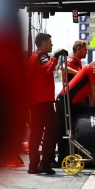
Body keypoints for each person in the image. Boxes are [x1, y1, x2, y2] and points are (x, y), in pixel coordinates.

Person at [55, 53, 95, 164]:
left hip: (71, 102)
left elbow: (90, 94)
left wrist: (94, 108)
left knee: (71, 129)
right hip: (65, 100)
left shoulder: (93, 68)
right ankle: (59, 158)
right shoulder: (94, 69)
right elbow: (94, 90)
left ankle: (69, 154)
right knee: (61, 130)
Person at [26, 33, 67, 175]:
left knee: (36, 133)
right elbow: (48, 69)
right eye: (50, 42)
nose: (52, 44)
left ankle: (33, 166)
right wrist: (56, 56)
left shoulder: (33, 57)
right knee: (51, 132)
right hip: (44, 101)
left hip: (35, 102)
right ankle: (46, 163)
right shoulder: (42, 56)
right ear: (43, 43)